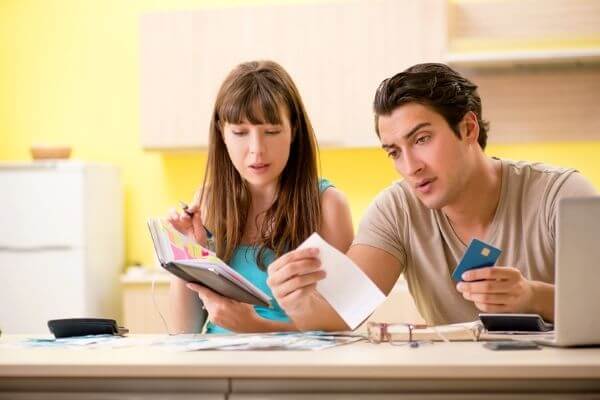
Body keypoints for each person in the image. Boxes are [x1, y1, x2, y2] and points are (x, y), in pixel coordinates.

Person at [267, 63, 598, 329]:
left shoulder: (561, 195)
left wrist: (534, 297)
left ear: (468, 129)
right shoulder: (397, 210)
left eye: (422, 139)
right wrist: (296, 298)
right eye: (394, 152)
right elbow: (340, 316)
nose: (410, 167)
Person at [167, 60, 353, 334]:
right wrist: (185, 253)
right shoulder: (207, 201)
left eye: (272, 131)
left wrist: (255, 327)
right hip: (218, 367)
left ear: (294, 131)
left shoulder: (328, 205)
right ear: (222, 133)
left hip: (296, 371)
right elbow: (182, 333)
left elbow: (342, 330)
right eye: (240, 133)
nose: (256, 150)